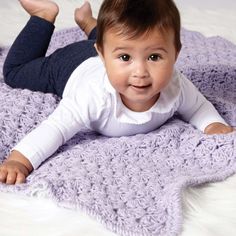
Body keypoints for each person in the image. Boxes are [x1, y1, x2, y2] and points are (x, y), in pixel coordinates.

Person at [0, 0, 234, 185]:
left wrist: (213, 125)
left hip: (105, 50)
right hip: (70, 66)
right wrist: (20, 160)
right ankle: (43, 15)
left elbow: (198, 107)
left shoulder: (176, 84)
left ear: (175, 53)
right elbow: (55, 128)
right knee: (15, 72)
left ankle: (91, 26)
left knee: (122, 40)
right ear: (102, 55)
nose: (140, 72)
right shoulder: (92, 97)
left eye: (154, 57)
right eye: (126, 58)